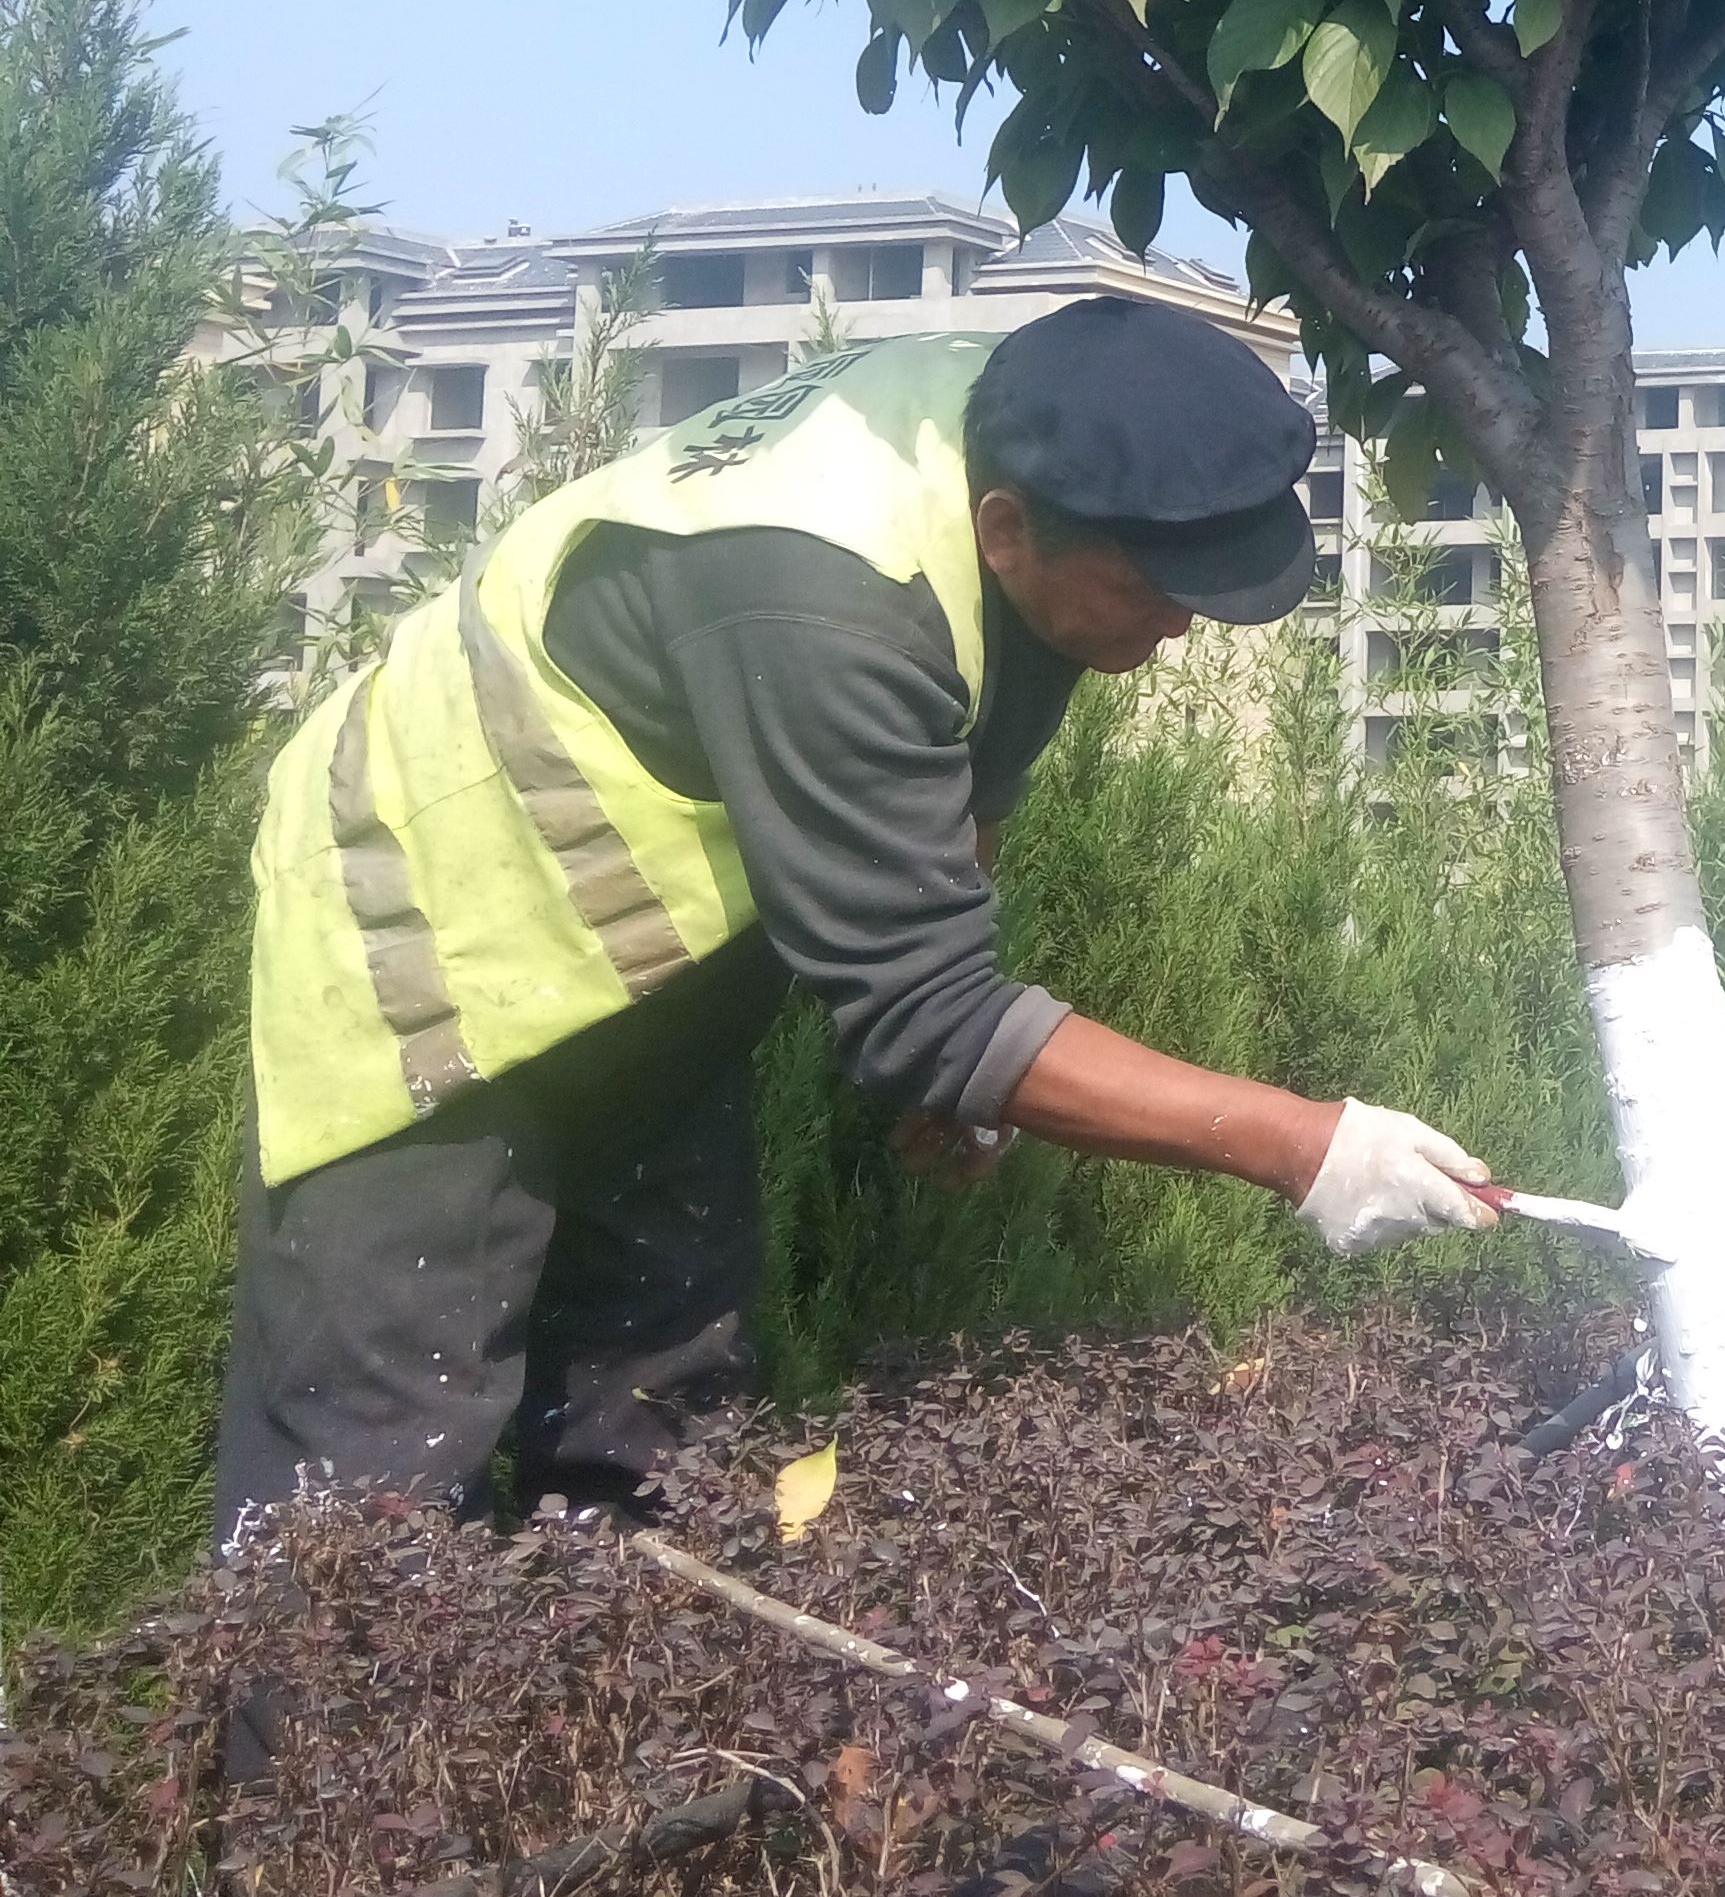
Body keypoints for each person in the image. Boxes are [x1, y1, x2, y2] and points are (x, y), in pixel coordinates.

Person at [215, 293, 1498, 1539]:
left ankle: (631, 1748)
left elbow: (965, 804)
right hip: (422, 926)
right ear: (1008, 530)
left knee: (660, 1427)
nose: (1177, 627)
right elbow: (929, 1013)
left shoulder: (1033, 438)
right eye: (1158, 591)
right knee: (373, 1489)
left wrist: (961, 1054)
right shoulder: (818, 591)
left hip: (641, 954)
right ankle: (307, 1756)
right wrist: (1300, 1144)